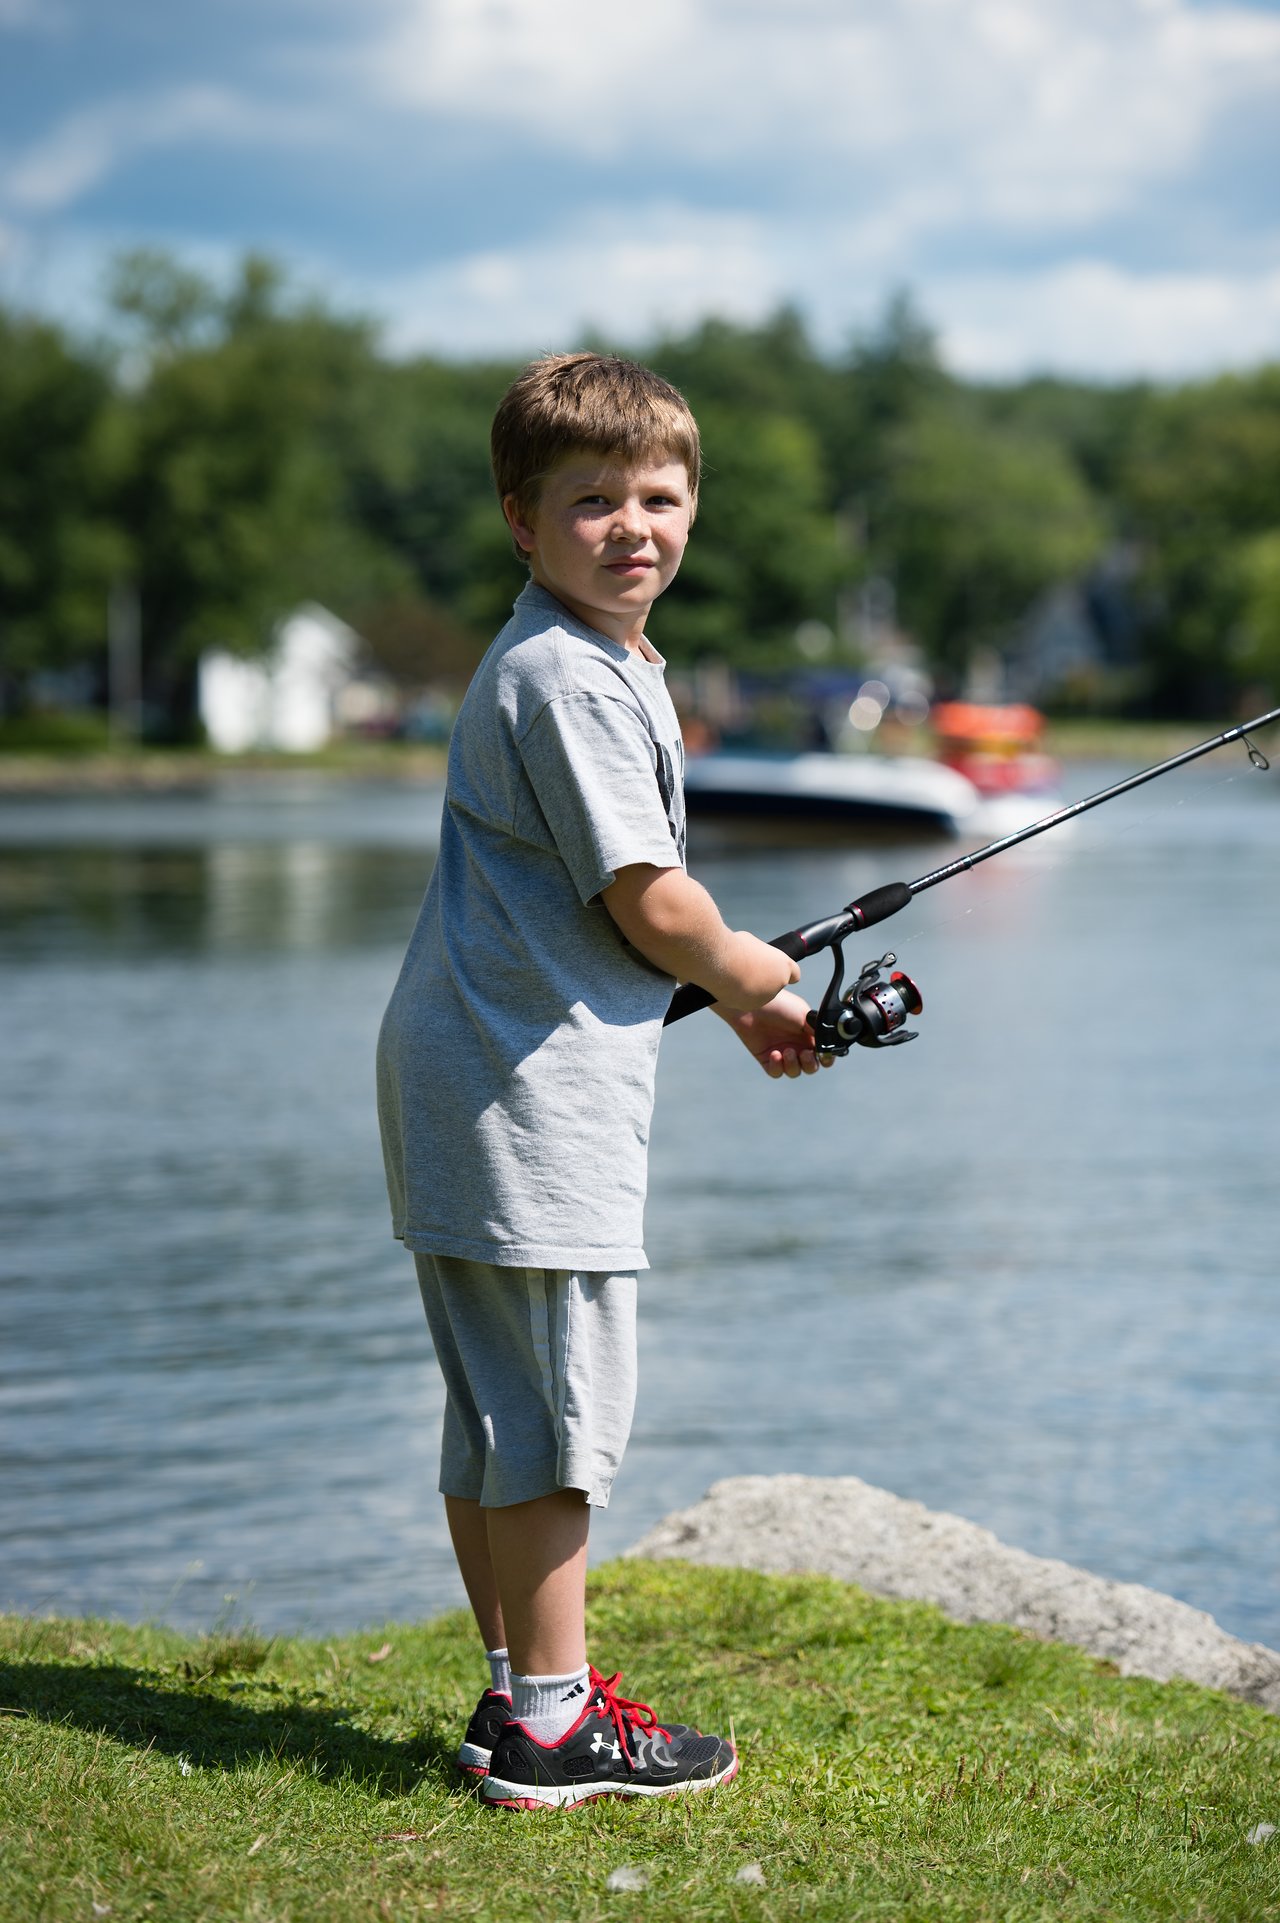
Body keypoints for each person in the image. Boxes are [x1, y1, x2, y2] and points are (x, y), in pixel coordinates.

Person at [376, 352, 831, 1811]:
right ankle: (557, 1733)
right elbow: (652, 900)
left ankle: (517, 1696)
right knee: (561, 1419)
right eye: (592, 502)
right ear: (522, 520)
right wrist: (757, 973)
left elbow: (612, 922)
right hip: (524, 1091)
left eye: (659, 495)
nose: (634, 526)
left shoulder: (589, 661)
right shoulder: (566, 679)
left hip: (469, 1067)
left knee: (498, 1415)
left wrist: (726, 997)